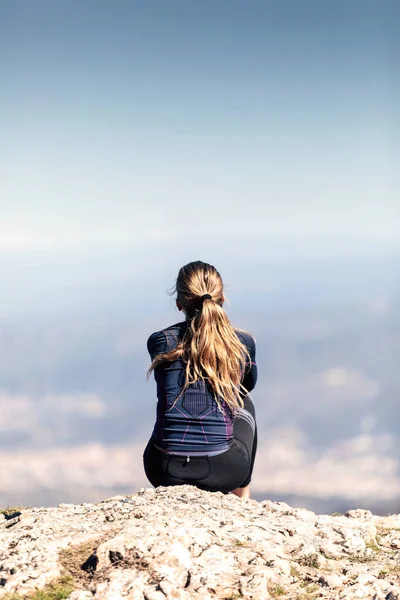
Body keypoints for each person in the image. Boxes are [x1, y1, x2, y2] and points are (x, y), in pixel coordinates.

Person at [143, 261, 258, 499]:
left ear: (178, 304)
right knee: (245, 404)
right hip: (225, 470)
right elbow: (246, 386)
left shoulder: (159, 341)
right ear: (223, 298)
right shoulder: (242, 343)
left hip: (162, 469)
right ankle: (243, 498)